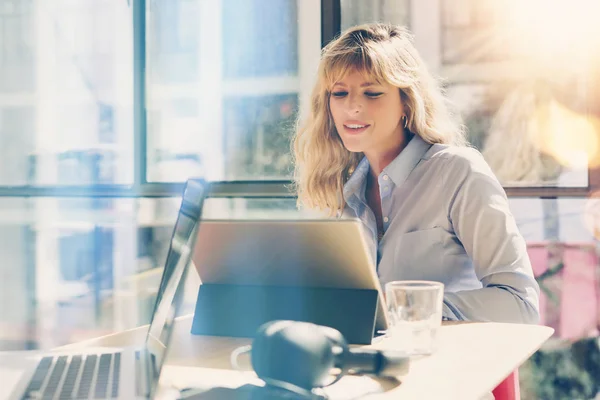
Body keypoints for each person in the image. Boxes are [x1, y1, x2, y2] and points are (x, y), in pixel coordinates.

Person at [291, 23, 539, 323]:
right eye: (339, 93)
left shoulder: (458, 172)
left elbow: (520, 304)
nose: (352, 107)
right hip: (377, 365)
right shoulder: (340, 194)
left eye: (372, 93)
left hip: (456, 364)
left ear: (406, 102)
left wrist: (410, 309)